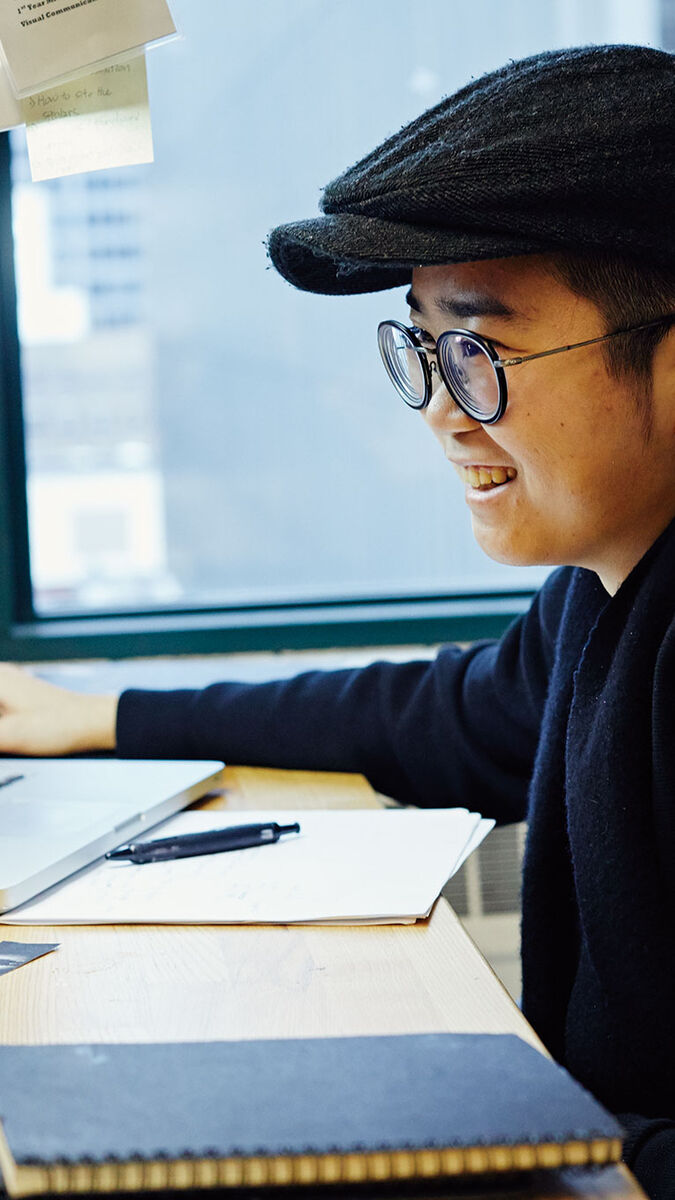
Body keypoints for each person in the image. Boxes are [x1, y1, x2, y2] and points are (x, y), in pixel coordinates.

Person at [0, 43, 674, 1199]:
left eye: (478, 351)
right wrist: (105, 715)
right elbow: (443, 716)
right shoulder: (602, 596)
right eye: (421, 350)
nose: (441, 416)